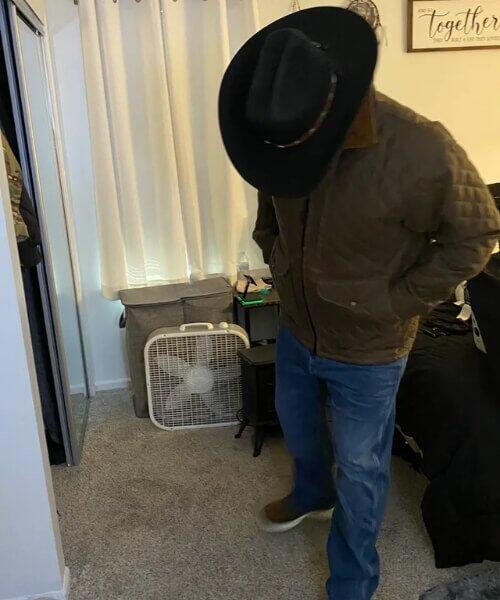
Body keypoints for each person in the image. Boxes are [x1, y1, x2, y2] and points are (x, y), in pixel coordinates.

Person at [219, 7, 500, 599]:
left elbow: (476, 236)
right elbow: (272, 206)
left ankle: (353, 582)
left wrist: (398, 300)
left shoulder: (421, 147)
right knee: (297, 425)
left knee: (361, 467)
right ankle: (311, 493)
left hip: (371, 345)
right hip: (297, 325)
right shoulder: (279, 124)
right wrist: (276, 256)